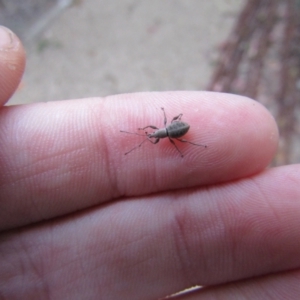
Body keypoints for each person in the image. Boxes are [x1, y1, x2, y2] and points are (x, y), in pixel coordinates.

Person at [0, 25, 299, 300]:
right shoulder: (162, 134)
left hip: (181, 131)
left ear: (162, 129)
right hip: (176, 131)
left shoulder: (171, 132)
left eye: (156, 134)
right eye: (156, 134)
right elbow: (156, 134)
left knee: (184, 144)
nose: (155, 135)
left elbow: (175, 129)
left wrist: (170, 141)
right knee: (178, 144)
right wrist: (147, 137)